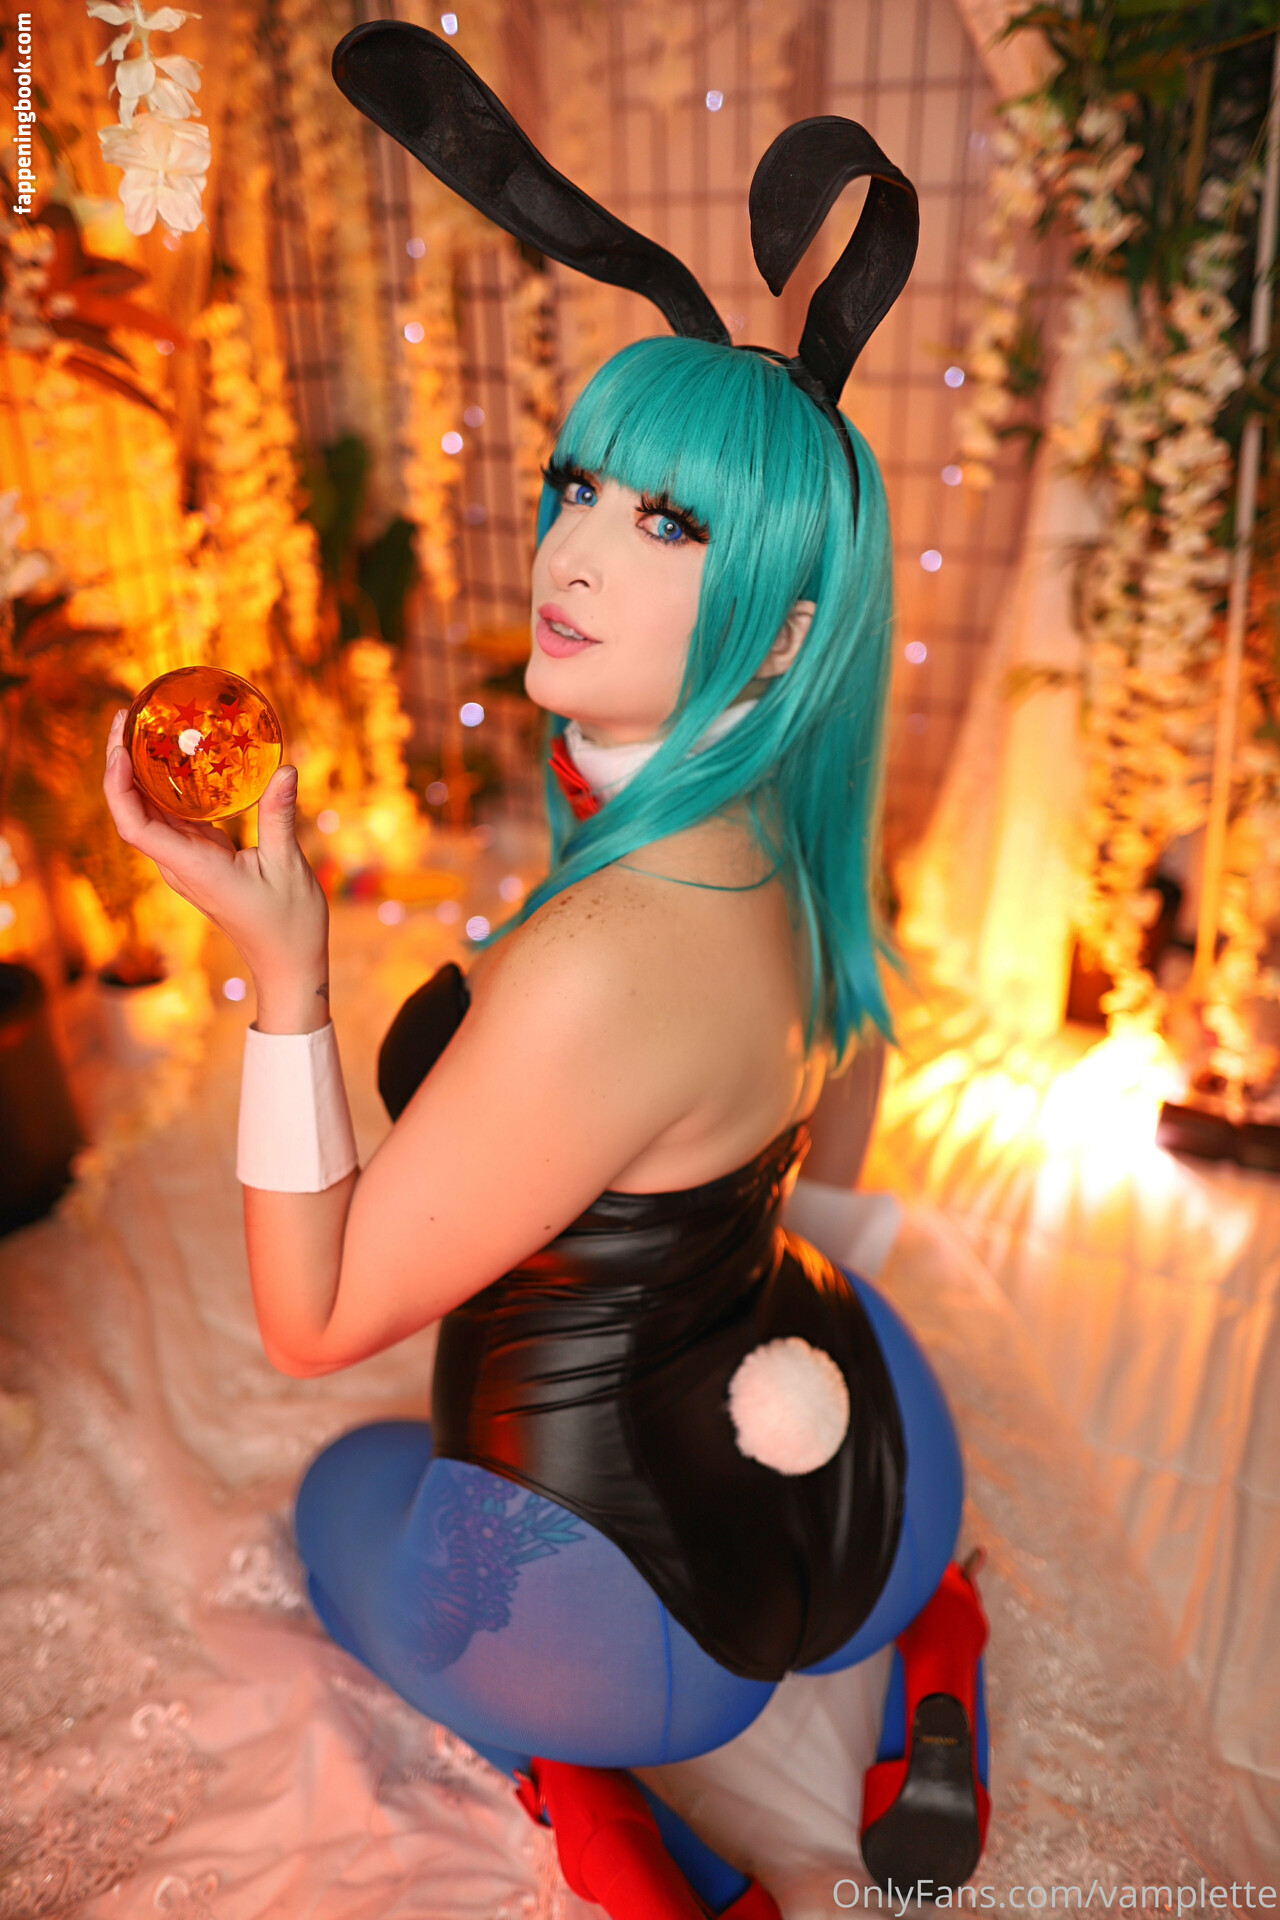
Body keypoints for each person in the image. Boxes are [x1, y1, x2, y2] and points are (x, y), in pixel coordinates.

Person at [102, 27, 990, 1919]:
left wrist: (284, 976)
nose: (570, 553)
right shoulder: (789, 834)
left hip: (628, 1607)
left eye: (665, 525)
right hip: (852, 1453)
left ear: (780, 634)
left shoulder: (598, 958)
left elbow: (311, 1321)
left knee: (333, 1499)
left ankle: (604, 1816)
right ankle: (942, 1659)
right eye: (582, 487)